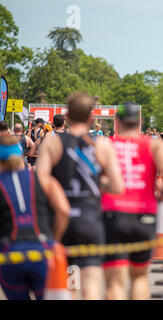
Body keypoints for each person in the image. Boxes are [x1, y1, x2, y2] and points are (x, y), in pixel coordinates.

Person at [36, 92, 124, 300]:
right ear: (91, 118)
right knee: (91, 284)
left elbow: (39, 181)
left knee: (60, 283)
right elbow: (118, 186)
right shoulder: (101, 145)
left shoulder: (53, 142)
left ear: (66, 115)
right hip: (90, 220)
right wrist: (97, 183)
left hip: (59, 219)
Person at [101, 102, 163, 300]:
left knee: (115, 282)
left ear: (117, 122)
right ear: (140, 122)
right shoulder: (153, 144)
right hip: (144, 215)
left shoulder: (107, 144)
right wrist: (162, 191)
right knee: (140, 277)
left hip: (113, 214)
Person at [0, 135, 70, 300]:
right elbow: (64, 210)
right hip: (43, 249)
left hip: (9, 254)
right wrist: (55, 240)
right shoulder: (43, 179)